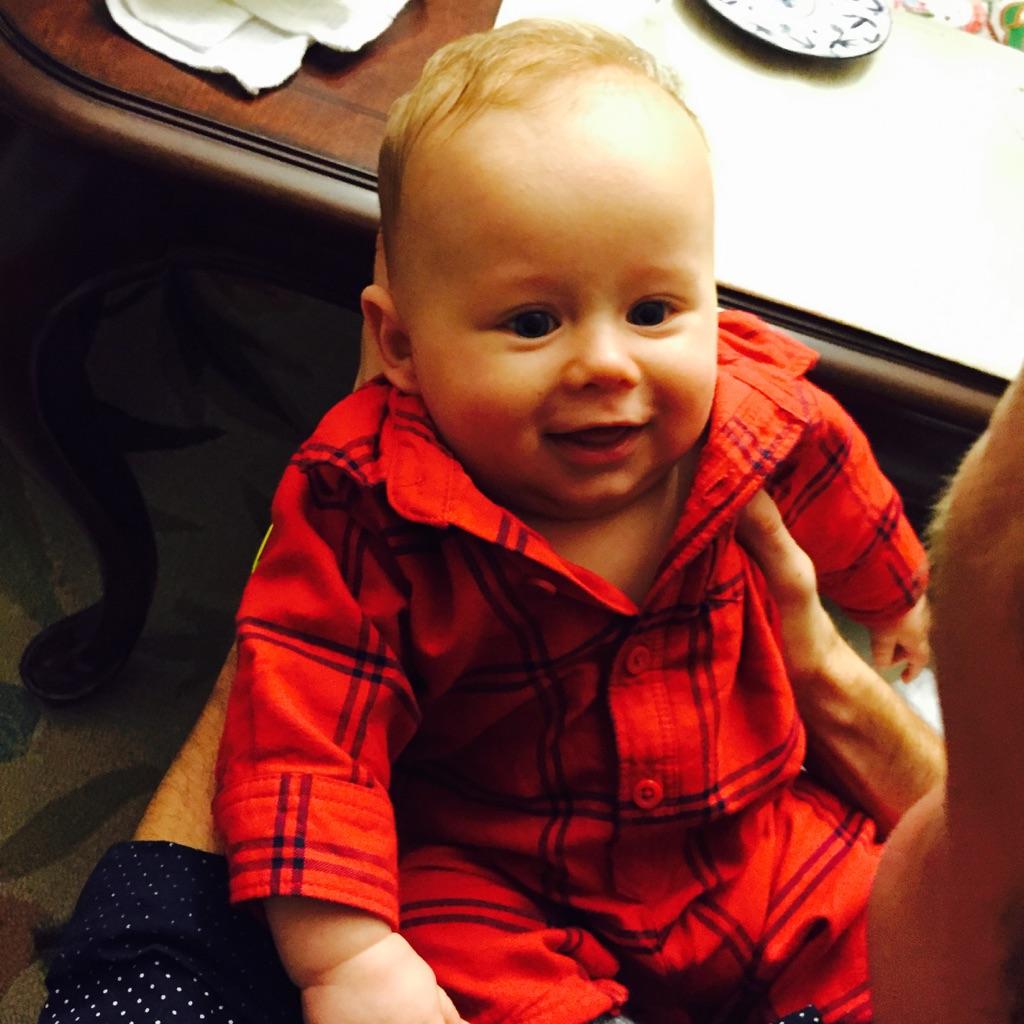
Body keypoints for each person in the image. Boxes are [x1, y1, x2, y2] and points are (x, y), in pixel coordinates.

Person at [209, 19, 935, 1024]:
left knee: (900, 932)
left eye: (653, 311)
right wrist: (350, 959)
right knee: (449, 944)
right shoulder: (364, 509)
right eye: (533, 322)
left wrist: (895, 596)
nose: (605, 363)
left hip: (748, 832)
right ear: (401, 345)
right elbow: (302, 741)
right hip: (502, 866)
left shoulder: (751, 418)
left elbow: (839, 484)